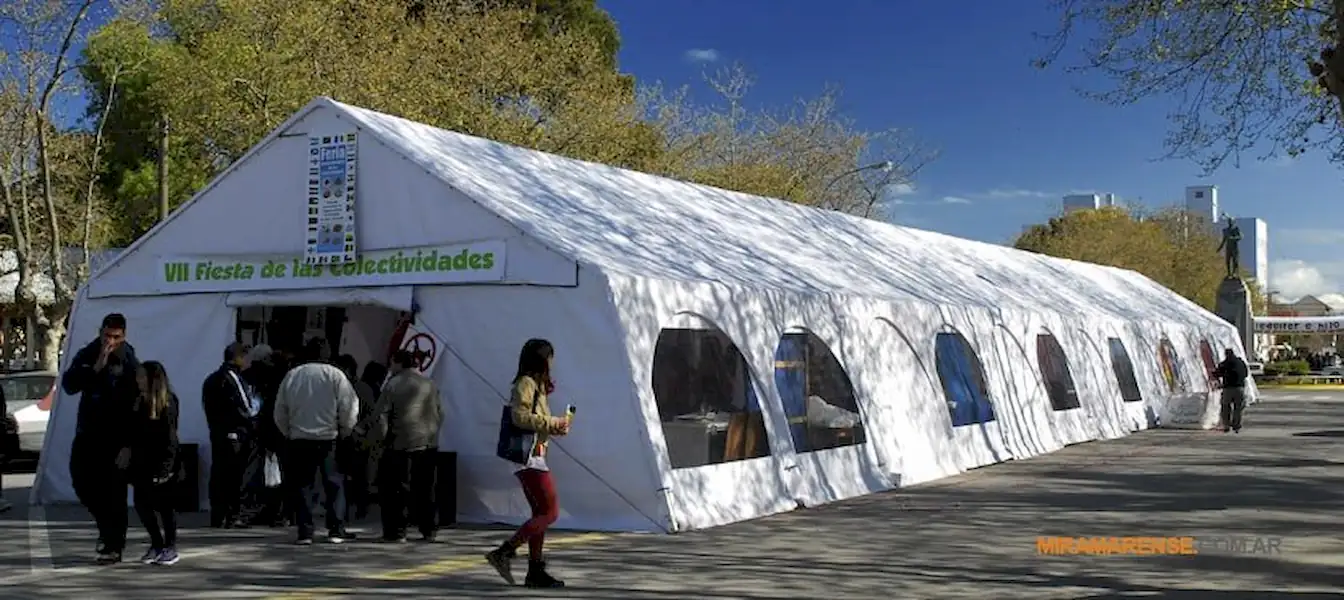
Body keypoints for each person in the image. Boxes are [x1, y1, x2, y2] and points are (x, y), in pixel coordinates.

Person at [485, 339, 571, 588]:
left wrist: (555, 428)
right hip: (527, 457)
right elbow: (519, 417)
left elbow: (536, 421)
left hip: (535, 454)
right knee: (550, 512)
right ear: (543, 359)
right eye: (551, 357)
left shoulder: (538, 385)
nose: (553, 362)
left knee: (540, 513)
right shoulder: (526, 383)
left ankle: (535, 571)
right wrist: (552, 423)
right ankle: (504, 552)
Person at [61, 312, 140, 564]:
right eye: (107, 335)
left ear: (123, 336)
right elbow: (69, 385)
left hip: (115, 438)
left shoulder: (129, 360)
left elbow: (136, 401)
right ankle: (105, 528)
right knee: (82, 484)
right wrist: (95, 368)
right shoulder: (88, 353)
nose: (110, 341)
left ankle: (113, 544)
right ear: (100, 331)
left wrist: (129, 444)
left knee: (114, 493)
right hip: (88, 434)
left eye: (116, 337)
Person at [274, 338, 360, 544]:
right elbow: (349, 405)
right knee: (334, 482)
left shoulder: (293, 375)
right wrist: (345, 429)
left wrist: (288, 431)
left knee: (303, 484)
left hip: (299, 437)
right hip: (328, 436)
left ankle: (305, 530)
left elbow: (280, 410)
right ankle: (336, 528)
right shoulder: (335, 375)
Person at [375, 350, 444, 543]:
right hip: (428, 443)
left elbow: (381, 416)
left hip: (400, 444)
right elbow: (440, 413)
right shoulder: (429, 384)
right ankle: (429, 529)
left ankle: (397, 531)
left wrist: (382, 440)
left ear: (397, 362)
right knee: (425, 488)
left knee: (396, 490)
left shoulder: (393, 384)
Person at [129, 361, 182, 566]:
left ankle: (170, 546)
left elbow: (170, 437)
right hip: (141, 461)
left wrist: (167, 467)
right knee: (142, 505)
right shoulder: (138, 401)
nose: (138, 380)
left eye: (142, 377)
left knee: (165, 507)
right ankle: (156, 543)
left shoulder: (167, 401)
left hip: (162, 460)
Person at [202, 342, 258, 528]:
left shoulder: (211, 379)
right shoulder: (234, 379)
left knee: (219, 473)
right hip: (236, 434)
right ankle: (234, 514)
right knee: (236, 476)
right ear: (239, 358)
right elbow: (247, 408)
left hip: (217, 432)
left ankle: (217, 514)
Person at [245, 345, 290, 527]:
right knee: (279, 474)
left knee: (258, 473)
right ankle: (278, 512)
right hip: (278, 430)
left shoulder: (249, 376)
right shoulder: (280, 377)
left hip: (258, 430)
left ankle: (260, 509)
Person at [334, 354, 377, 520]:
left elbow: (370, 414)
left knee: (358, 475)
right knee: (344, 475)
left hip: (356, 438)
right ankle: (347, 508)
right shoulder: (344, 387)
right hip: (344, 436)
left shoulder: (361, 389)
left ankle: (360, 506)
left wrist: (360, 428)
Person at [1213, 348, 1249, 433]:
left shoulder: (1225, 364)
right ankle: (1236, 425)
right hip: (1240, 388)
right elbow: (1246, 374)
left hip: (1228, 388)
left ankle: (1226, 425)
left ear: (1226, 354)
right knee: (1238, 408)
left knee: (1225, 407)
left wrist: (1214, 374)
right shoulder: (1241, 363)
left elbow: (1218, 374)